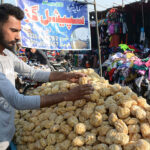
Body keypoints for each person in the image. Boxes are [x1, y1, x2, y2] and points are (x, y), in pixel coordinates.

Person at [0, 4, 94, 150]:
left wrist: (67, 76)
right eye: (13, 31)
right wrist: (67, 96)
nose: (18, 37)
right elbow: (18, 101)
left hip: (7, 135)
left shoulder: (8, 55)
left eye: (19, 31)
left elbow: (33, 73)